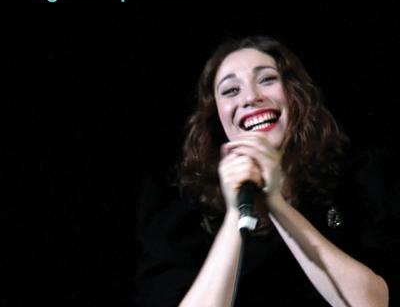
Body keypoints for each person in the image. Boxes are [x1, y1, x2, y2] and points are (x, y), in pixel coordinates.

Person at [134, 36, 397, 306]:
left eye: (267, 79)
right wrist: (237, 214)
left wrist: (276, 204)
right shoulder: (182, 211)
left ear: (296, 94)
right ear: (216, 116)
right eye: (231, 90)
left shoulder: (358, 178)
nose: (251, 97)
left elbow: (373, 302)